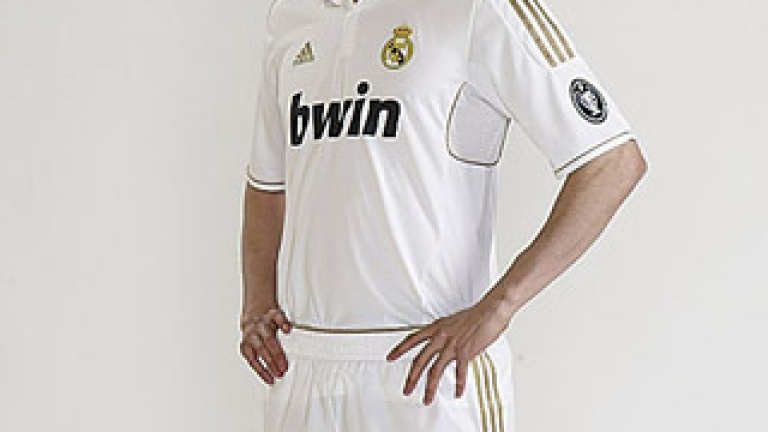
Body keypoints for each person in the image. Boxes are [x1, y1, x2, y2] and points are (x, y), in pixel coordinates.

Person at [239, 0, 647, 430]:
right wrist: (256, 304)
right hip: (304, 369)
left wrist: (500, 306)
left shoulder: (480, 8)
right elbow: (267, 183)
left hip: (431, 371)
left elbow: (613, 162)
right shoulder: (289, 15)